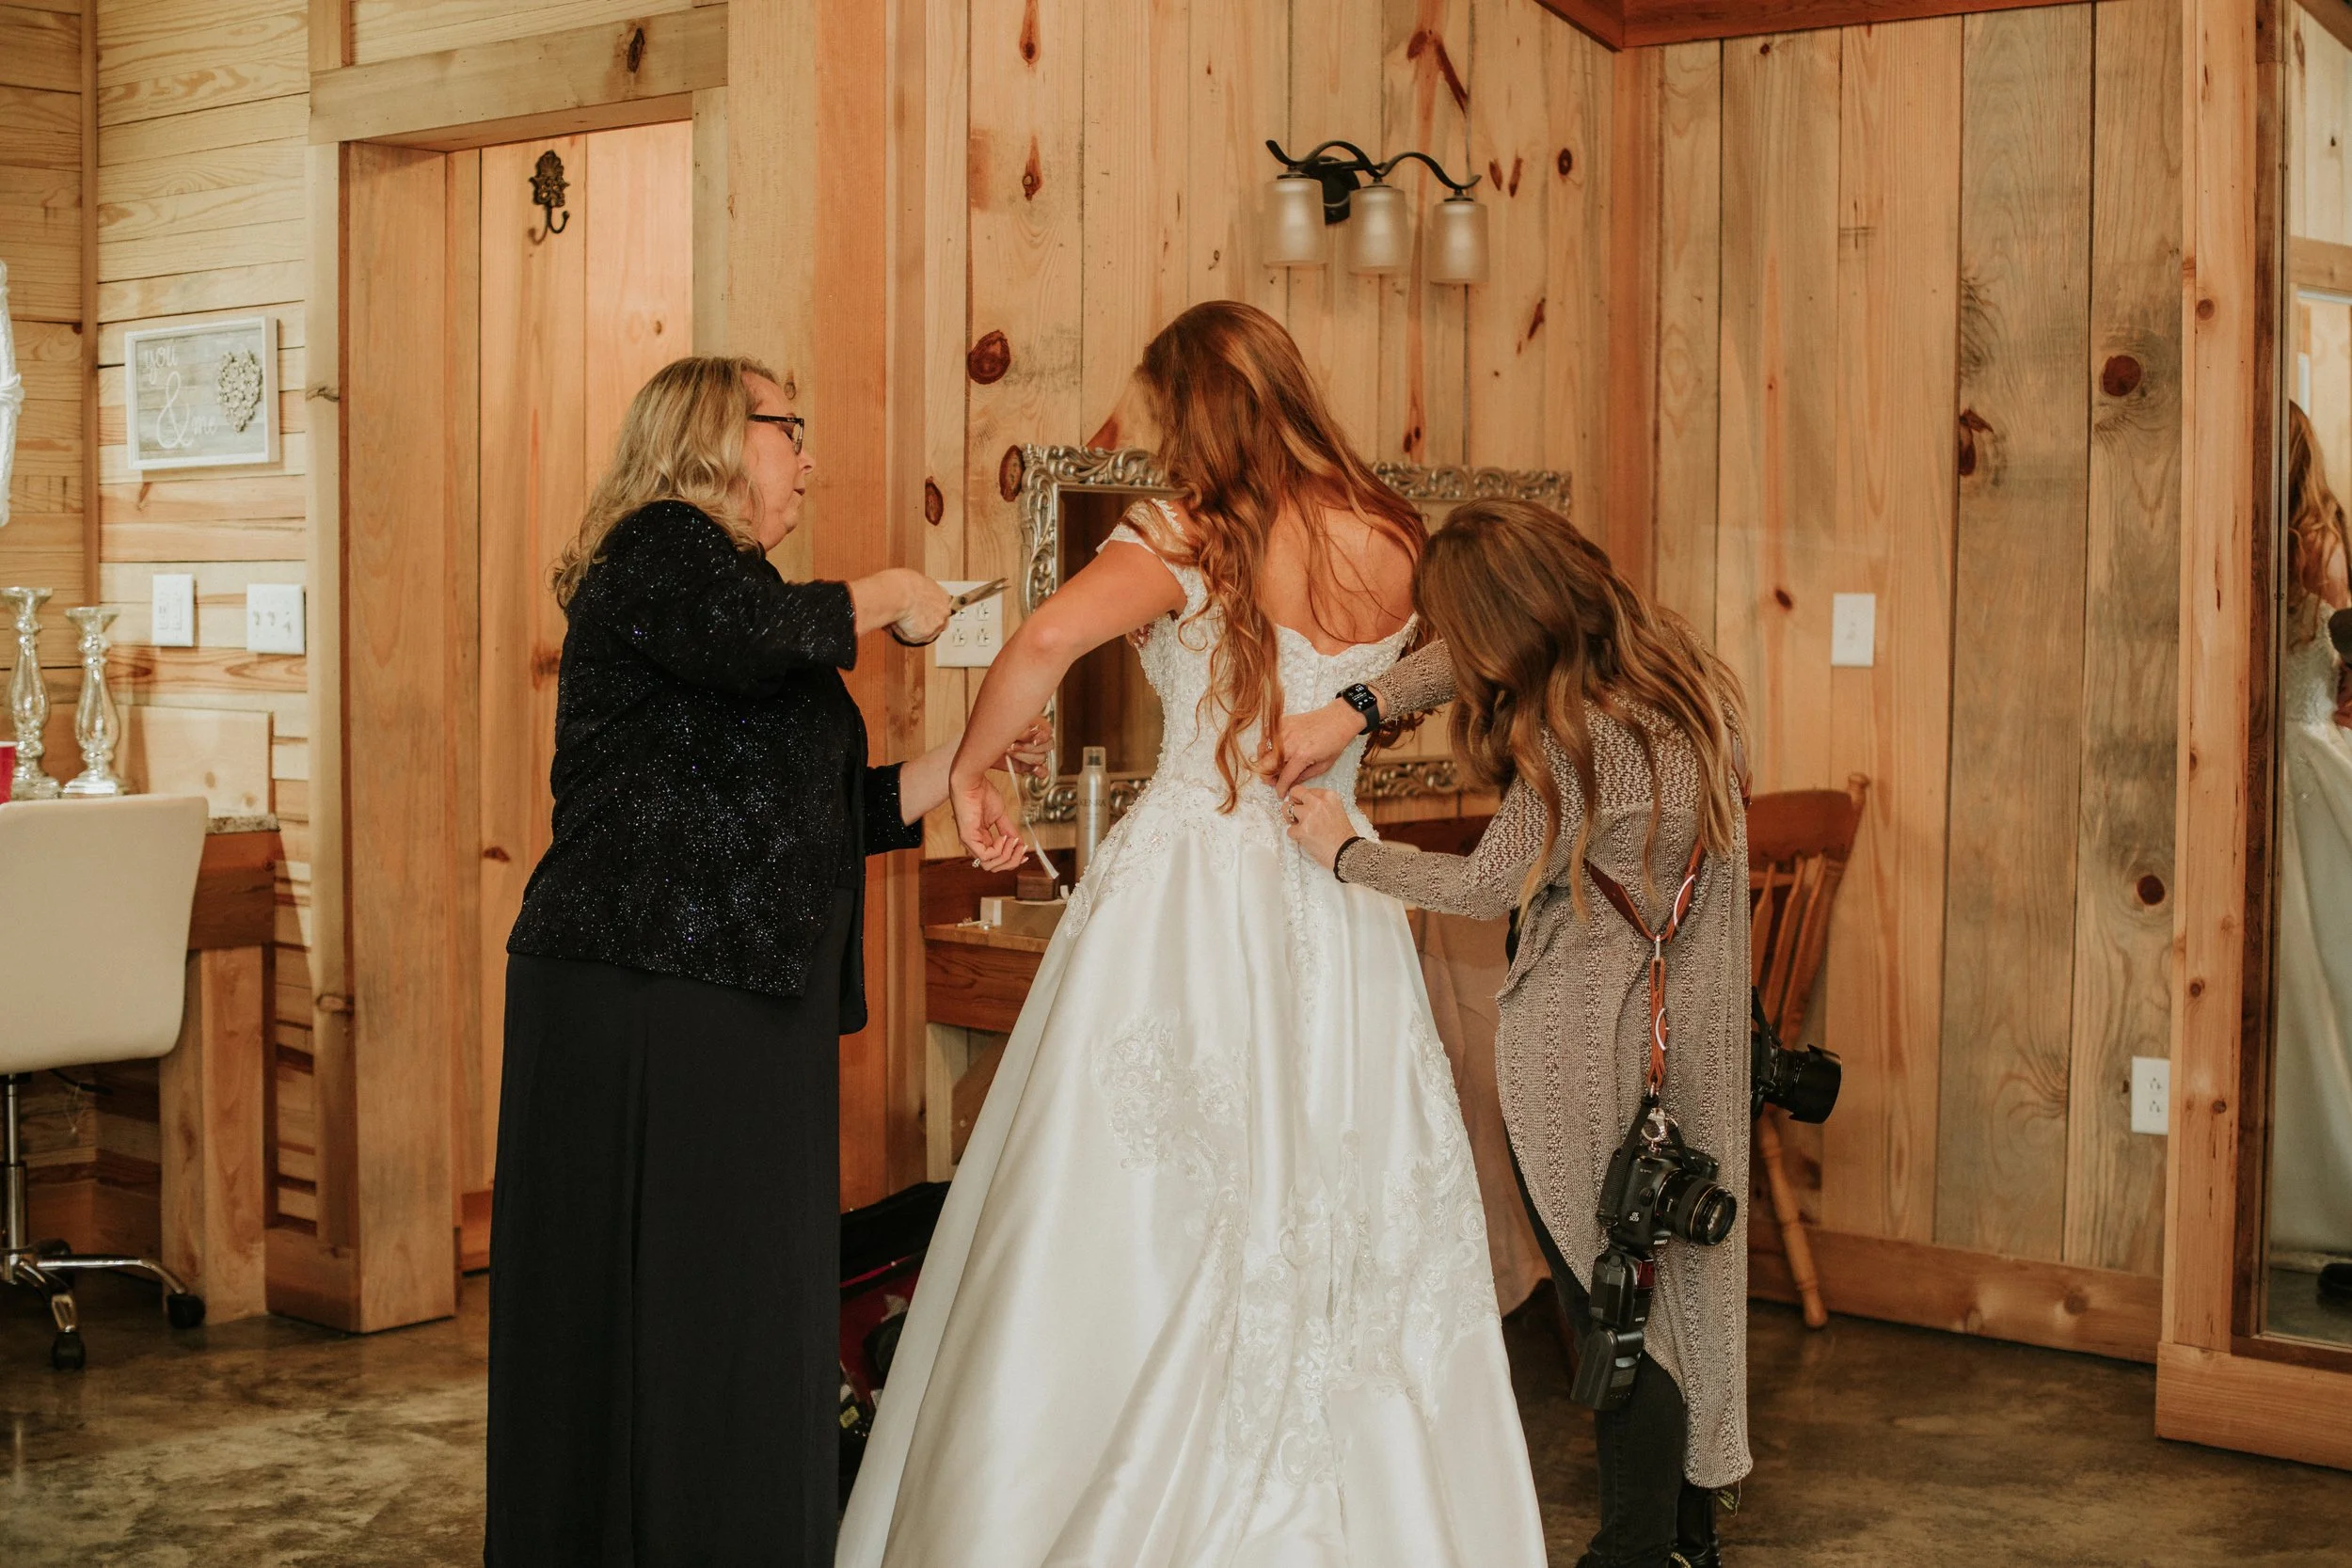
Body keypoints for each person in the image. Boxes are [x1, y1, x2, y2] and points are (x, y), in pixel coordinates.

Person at [836, 301, 1548, 1568]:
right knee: (1334, 1181)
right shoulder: (1390, 528)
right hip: (1338, 890)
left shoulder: (1197, 531)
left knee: (1147, 1194)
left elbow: (1048, 634)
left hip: (1188, 890)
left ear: (1195, 411)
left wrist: (977, 765)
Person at [486, 355, 1044, 1566]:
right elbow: (760, 636)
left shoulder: (740, 598)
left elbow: (826, 806)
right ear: (716, 436)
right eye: (792, 429)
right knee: (650, 1310)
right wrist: (897, 585)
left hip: (735, 994)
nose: (808, 457)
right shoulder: (657, 550)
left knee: (735, 1314)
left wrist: (964, 765)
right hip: (640, 990)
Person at [1279, 499, 1753, 1568]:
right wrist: (1364, 703)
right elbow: (1467, 659)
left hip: (1583, 1056)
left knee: (1609, 1309)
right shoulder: (1676, 680)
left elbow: (1489, 879)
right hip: (1683, 1046)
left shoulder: (1574, 739)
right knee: (1667, 1292)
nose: (1449, 656)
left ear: (1501, 625)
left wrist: (1345, 852)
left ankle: (1630, 1548)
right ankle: (1682, 1538)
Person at [2270, 404, 2352, 1300]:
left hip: (2301, 760)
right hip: (2297, 759)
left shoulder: (2309, 542)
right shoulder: (2297, 539)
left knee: (2319, 978)